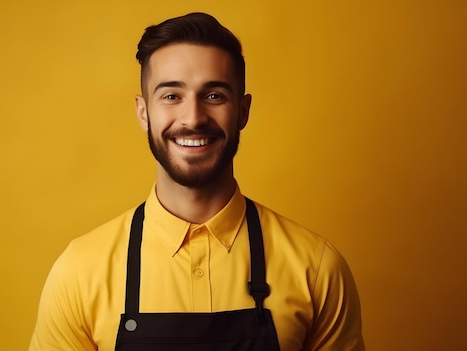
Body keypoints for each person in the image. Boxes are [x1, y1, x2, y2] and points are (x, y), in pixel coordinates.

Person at [29, 12, 365, 351]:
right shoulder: (80, 270)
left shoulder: (317, 268)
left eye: (214, 95)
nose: (193, 118)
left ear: (243, 111)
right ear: (144, 112)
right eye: (172, 96)